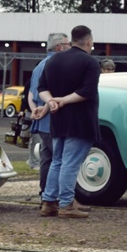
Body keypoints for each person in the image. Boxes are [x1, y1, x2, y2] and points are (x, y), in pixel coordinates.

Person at [36, 25, 100, 219]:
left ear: (72, 40)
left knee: (57, 161)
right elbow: (87, 92)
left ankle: (49, 202)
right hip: (81, 120)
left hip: (58, 120)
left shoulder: (53, 60)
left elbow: (42, 87)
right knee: (70, 163)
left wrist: (51, 101)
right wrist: (63, 100)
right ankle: (66, 203)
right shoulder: (90, 62)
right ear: (89, 41)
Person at [29, 33, 70, 201]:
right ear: (59, 47)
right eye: (68, 44)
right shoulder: (56, 65)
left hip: (42, 121)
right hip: (52, 119)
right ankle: (59, 197)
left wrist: (35, 111)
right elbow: (54, 92)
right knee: (60, 160)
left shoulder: (39, 66)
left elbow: (31, 94)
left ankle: (45, 194)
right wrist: (46, 109)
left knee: (47, 159)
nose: (70, 47)